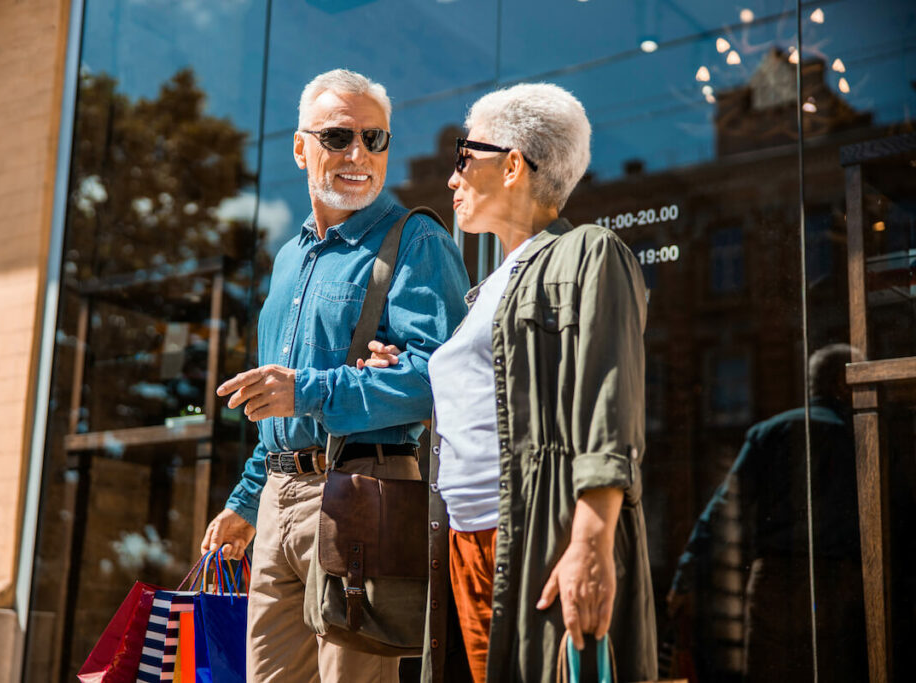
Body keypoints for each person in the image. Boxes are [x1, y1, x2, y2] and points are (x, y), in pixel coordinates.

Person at [362, 83, 657, 682]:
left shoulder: (588, 253)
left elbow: (608, 405)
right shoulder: (486, 290)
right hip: (463, 544)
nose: (451, 178)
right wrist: (404, 373)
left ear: (515, 164)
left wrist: (591, 544)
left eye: (463, 157)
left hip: (529, 537)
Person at [198, 69, 469, 683]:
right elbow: (274, 410)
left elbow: (440, 382)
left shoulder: (416, 241)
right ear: (300, 148)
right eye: (338, 137)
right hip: (276, 501)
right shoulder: (289, 259)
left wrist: (311, 389)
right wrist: (246, 501)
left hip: (363, 491)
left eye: (375, 140)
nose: (359, 155)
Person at [667, 343, 867, 683]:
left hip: (777, 580)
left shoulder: (770, 432)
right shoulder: (863, 435)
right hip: (843, 581)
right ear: (842, 383)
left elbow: (722, 511)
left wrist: (684, 578)